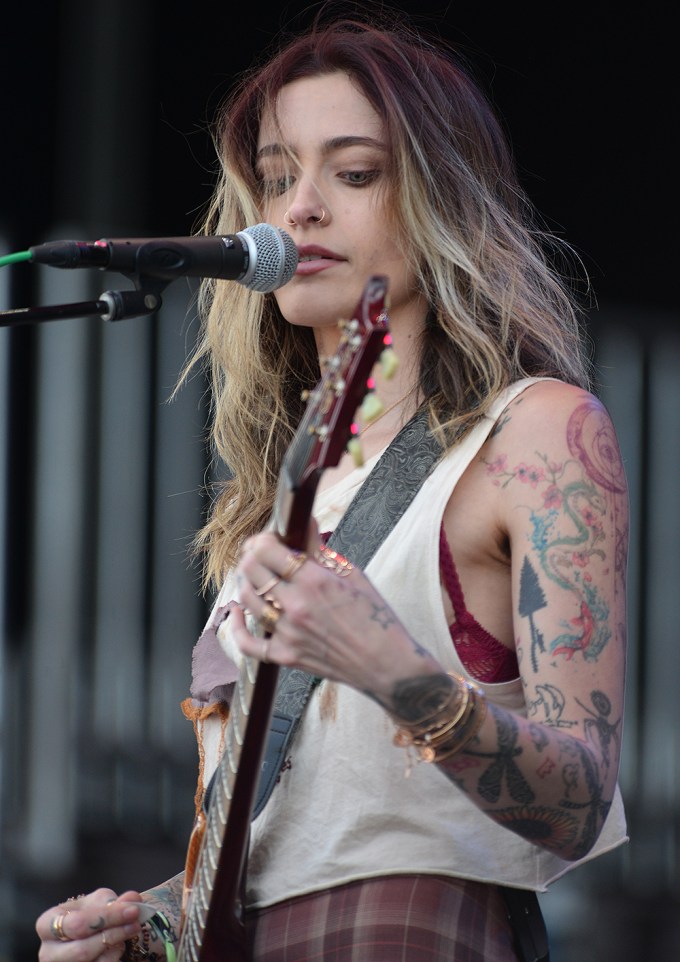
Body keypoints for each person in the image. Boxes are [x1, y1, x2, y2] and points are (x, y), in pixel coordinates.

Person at [36, 5, 629, 961]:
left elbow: (579, 801)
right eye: (275, 179)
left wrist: (396, 671)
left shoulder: (535, 434)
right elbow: (307, 841)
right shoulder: (279, 497)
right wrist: (143, 923)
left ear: (443, 201)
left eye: (353, 174)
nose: (299, 207)